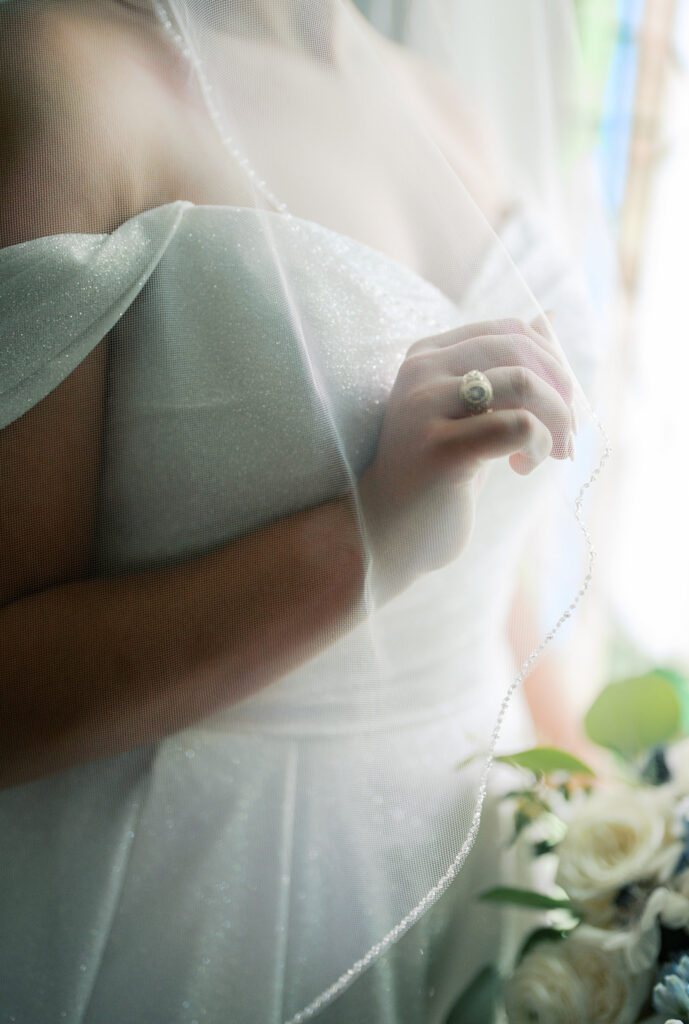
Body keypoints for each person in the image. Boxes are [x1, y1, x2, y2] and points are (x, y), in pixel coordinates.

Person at [0, 1, 594, 1020]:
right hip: (201, 913)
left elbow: (503, 545)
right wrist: (365, 543)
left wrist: (609, 830)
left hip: (477, 884)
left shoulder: (449, 105)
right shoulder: (65, 68)